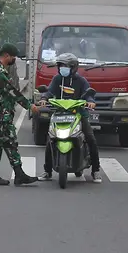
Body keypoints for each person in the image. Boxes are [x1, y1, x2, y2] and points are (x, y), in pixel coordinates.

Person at [41, 52, 101, 183]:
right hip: (59, 114)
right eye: (61, 65)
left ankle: (95, 170)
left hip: (79, 114)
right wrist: (44, 98)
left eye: (65, 66)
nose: (62, 68)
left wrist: (90, 101)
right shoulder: (57, 79)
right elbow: (49, 91)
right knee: (50, 140)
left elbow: (88, 94)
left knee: (91, 138)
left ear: (73, 67)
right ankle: (47, 171)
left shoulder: (81, 81)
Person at [0, 43, 39, 185]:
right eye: (13, 57)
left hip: (0, 114)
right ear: (7, 56)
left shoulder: (0, 69)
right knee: (3, 143)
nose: (14, 60)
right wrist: (29, 106)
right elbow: (12, 91)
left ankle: (14, 173)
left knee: (4, 143)